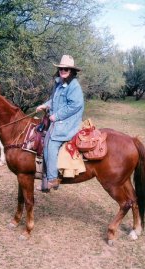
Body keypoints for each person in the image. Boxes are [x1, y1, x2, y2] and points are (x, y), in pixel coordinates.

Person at [36, 55, 84, 191]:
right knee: (45, 142)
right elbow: (54, 101)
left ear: (72, 71)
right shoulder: (59, 84)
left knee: (51, 145)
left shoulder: (74, 86)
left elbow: (75, 105)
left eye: (66, 69)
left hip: (68, 123)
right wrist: (44, 105)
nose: (63, 70)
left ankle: (52, 179)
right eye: (61, 68)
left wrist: (56, 116)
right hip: (59, 122)